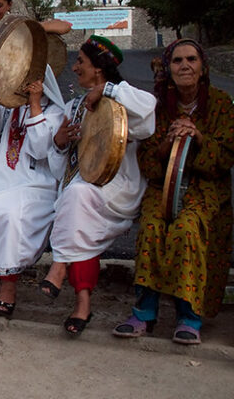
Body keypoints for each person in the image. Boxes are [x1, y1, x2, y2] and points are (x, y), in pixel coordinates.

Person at [112, 39, 234, 345]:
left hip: (206, 187)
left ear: (202, 66)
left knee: (187, 228)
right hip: (164, 185)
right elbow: (148, 162)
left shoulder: (220, 104)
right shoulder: (158, 106)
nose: (185, 66)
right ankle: (144, 313)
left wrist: (197, 136)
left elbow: (223, 158)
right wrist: (169, 142)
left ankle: (188, 315)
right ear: (168, 68)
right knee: (153, 226)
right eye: (178, 61)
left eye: (191, 59)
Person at [41, 36, 156, 336]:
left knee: (75, 200)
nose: (75, 66)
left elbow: (148, 114)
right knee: (75, 204)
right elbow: (58, 167)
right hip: (81, 188)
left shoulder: (124, 97)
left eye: (81, 61)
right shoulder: (74, 106)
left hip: (117, 189)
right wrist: (60, 143)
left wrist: (105, 91)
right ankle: (82, 304)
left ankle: (59, 266)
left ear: (99, 68)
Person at [0, 65, 65, 317]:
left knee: (13, 214)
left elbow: (41, 148)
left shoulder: (54, 112)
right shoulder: (5, 107)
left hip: (32, 182)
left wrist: (34, 104)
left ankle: (8, 287)